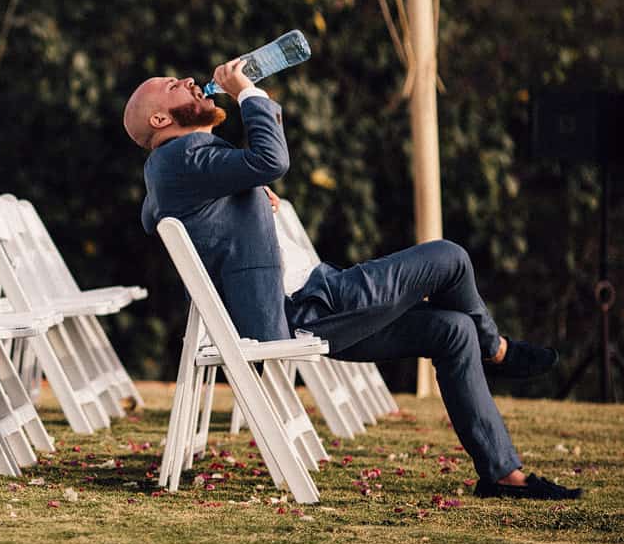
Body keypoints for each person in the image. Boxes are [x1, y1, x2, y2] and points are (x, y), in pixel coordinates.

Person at [123, 59, 583, 501]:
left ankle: (504, 475)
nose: (187, 79)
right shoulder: (183, 156)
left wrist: (247, 190)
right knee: (450, 257)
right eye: (171, 84)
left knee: (452, 330)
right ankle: (497, 350)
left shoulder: (185, 167)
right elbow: (271, 158)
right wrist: (249, 93)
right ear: (162, 118)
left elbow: (241, 185)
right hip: (308, 307)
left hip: (317, 302)